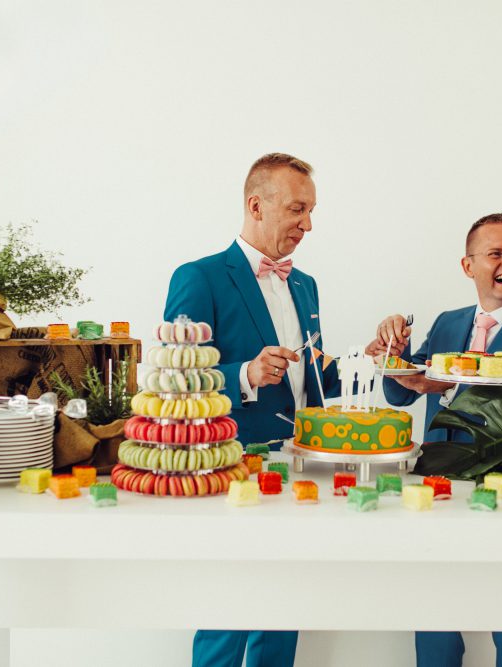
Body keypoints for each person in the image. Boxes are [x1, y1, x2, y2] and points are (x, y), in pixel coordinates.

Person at [165, 153, 368, 667]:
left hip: (303, 467)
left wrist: (373, 366)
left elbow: (313, 375)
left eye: (312, 210)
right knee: (228, 606)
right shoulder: (199, 277)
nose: (308, 223)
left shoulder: (306, 284)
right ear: (256, 205)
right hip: (231, 469)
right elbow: (175, 379)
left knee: (285, 603)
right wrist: (244, 375)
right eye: (297, 209)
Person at [374, 212, 502, 667]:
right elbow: (399, 391)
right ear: (469, 266)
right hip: (438, 478)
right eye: (497, 253)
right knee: (435, 604)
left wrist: (453, 388)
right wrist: (394, 352)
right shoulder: (446, 322)